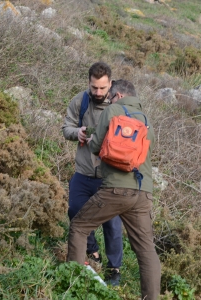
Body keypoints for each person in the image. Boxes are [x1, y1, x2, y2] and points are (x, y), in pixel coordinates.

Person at [67, 79, 161, 299]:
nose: (107, 98)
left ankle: (72, 285)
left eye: (110, 96)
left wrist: (91, 137)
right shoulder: (146, 119)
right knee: (146, 249)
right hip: (143, 192)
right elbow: (148, 151)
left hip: (116, 189)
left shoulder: (113, 110)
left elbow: (96, 146)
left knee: (79, 227)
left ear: (118, 95)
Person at [62, 62, 123, 285]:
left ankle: (114, 269)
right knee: (76, 211)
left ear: (110, 84)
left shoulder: (118, 103)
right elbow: (66, 128)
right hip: (83, 172)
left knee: (112, 223)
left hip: (110, 176)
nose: (98, 92)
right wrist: (76, 132)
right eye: (94, 87)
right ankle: (92, 251)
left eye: (102, 88)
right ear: (88, 83)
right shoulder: (80, 101)